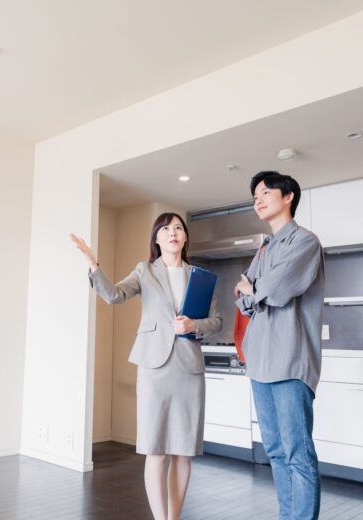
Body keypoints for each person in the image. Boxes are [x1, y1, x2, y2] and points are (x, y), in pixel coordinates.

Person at [71, 213, 222, 520]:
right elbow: (114, 295)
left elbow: (216, 322)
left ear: (185, 236)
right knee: (155, 449)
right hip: (154, 368)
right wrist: (93, 263)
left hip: (189, 370)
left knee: (184, 452)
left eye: (178, 228)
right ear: (156, 238)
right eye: (165, 229)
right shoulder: (145, 271)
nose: (173, 233)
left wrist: (194, 325)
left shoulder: (201, 277)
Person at [234, 171, 325, 520]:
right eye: (255, 195)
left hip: (289, 360)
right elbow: (242, 296)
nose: (258, 199)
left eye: (265, 192)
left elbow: (278, 288)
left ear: (288, 197)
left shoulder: (306, 242)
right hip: (259, 361)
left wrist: (254, 290)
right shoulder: (264, 249)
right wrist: (253, 292)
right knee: (274, 450)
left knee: (297, 452)